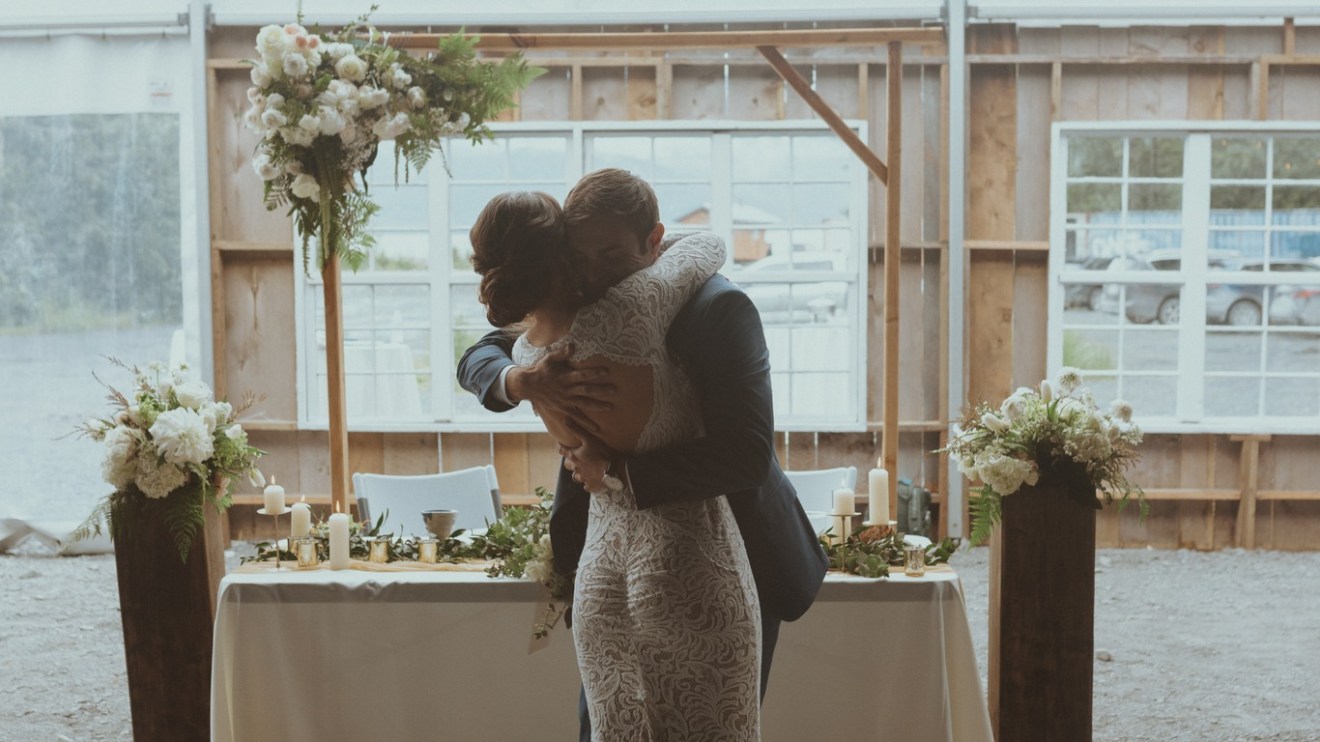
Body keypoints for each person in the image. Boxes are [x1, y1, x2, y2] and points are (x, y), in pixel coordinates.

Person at [458, 169, 829, 740]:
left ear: (655, 241)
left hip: (732, 552)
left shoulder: (717, 306)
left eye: (611, 256)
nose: (594, 275)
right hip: (605, 563)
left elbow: (746, 454)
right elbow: (480, 352)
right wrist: (521, 380)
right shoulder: (577, 301)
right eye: (580, 258)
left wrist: (616, 473)